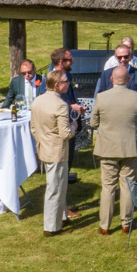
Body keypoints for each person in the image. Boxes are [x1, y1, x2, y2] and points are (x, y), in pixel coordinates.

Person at [90, 66, 137, 235]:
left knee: (107, 187)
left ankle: (104, 225)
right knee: (128, 185)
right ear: (129, 80)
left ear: (111, 79)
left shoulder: (101, 98)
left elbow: (93, 123)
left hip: (108, 148)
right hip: (130, 148)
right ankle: (126, 223)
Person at [30, 70, 75, 236]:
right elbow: (65, 133)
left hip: (44, 149)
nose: (68, 83)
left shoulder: (37, 101)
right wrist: (74, 127)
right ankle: (51, 227)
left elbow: (33, 128)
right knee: (54, 189)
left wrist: (44, 139)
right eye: (65, 81)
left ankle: (61, 217)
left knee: (59, 185)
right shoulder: (61, 105)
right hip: (57, 151)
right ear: (57, 85)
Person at [48, 48, 85, 180]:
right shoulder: (50, 78)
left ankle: (64, 182)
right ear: (60, 62)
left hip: (71, 121)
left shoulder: (68, 76)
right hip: (59, 125)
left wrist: (78, 107)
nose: (72, 62)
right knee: (61, 157)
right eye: (69, 60)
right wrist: (70, 106)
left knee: (69, 155)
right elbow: (49, 101)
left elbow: (70, 95)